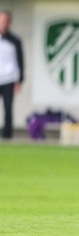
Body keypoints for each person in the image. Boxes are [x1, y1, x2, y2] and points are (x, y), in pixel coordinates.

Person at [0, 11, 24, 140]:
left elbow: (20, 60)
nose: (3, 23)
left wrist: (20, 80)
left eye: (5, 21)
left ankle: (6, 136)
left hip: (8, 79)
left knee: (8, 109)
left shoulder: (15, 40)